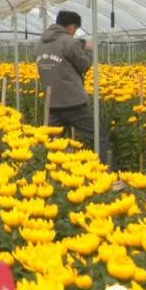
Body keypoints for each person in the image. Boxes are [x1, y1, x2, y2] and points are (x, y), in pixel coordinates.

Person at [36, 10, 120, 180]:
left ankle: (46, 178)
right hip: (73, 103)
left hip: (51, 102)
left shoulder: (40, 43)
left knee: (50, 145)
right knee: (100, 138)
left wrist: (78, 43)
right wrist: (89, 50)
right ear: (72, 27)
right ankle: (109, 177)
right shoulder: (69, 42)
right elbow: (83, 65)